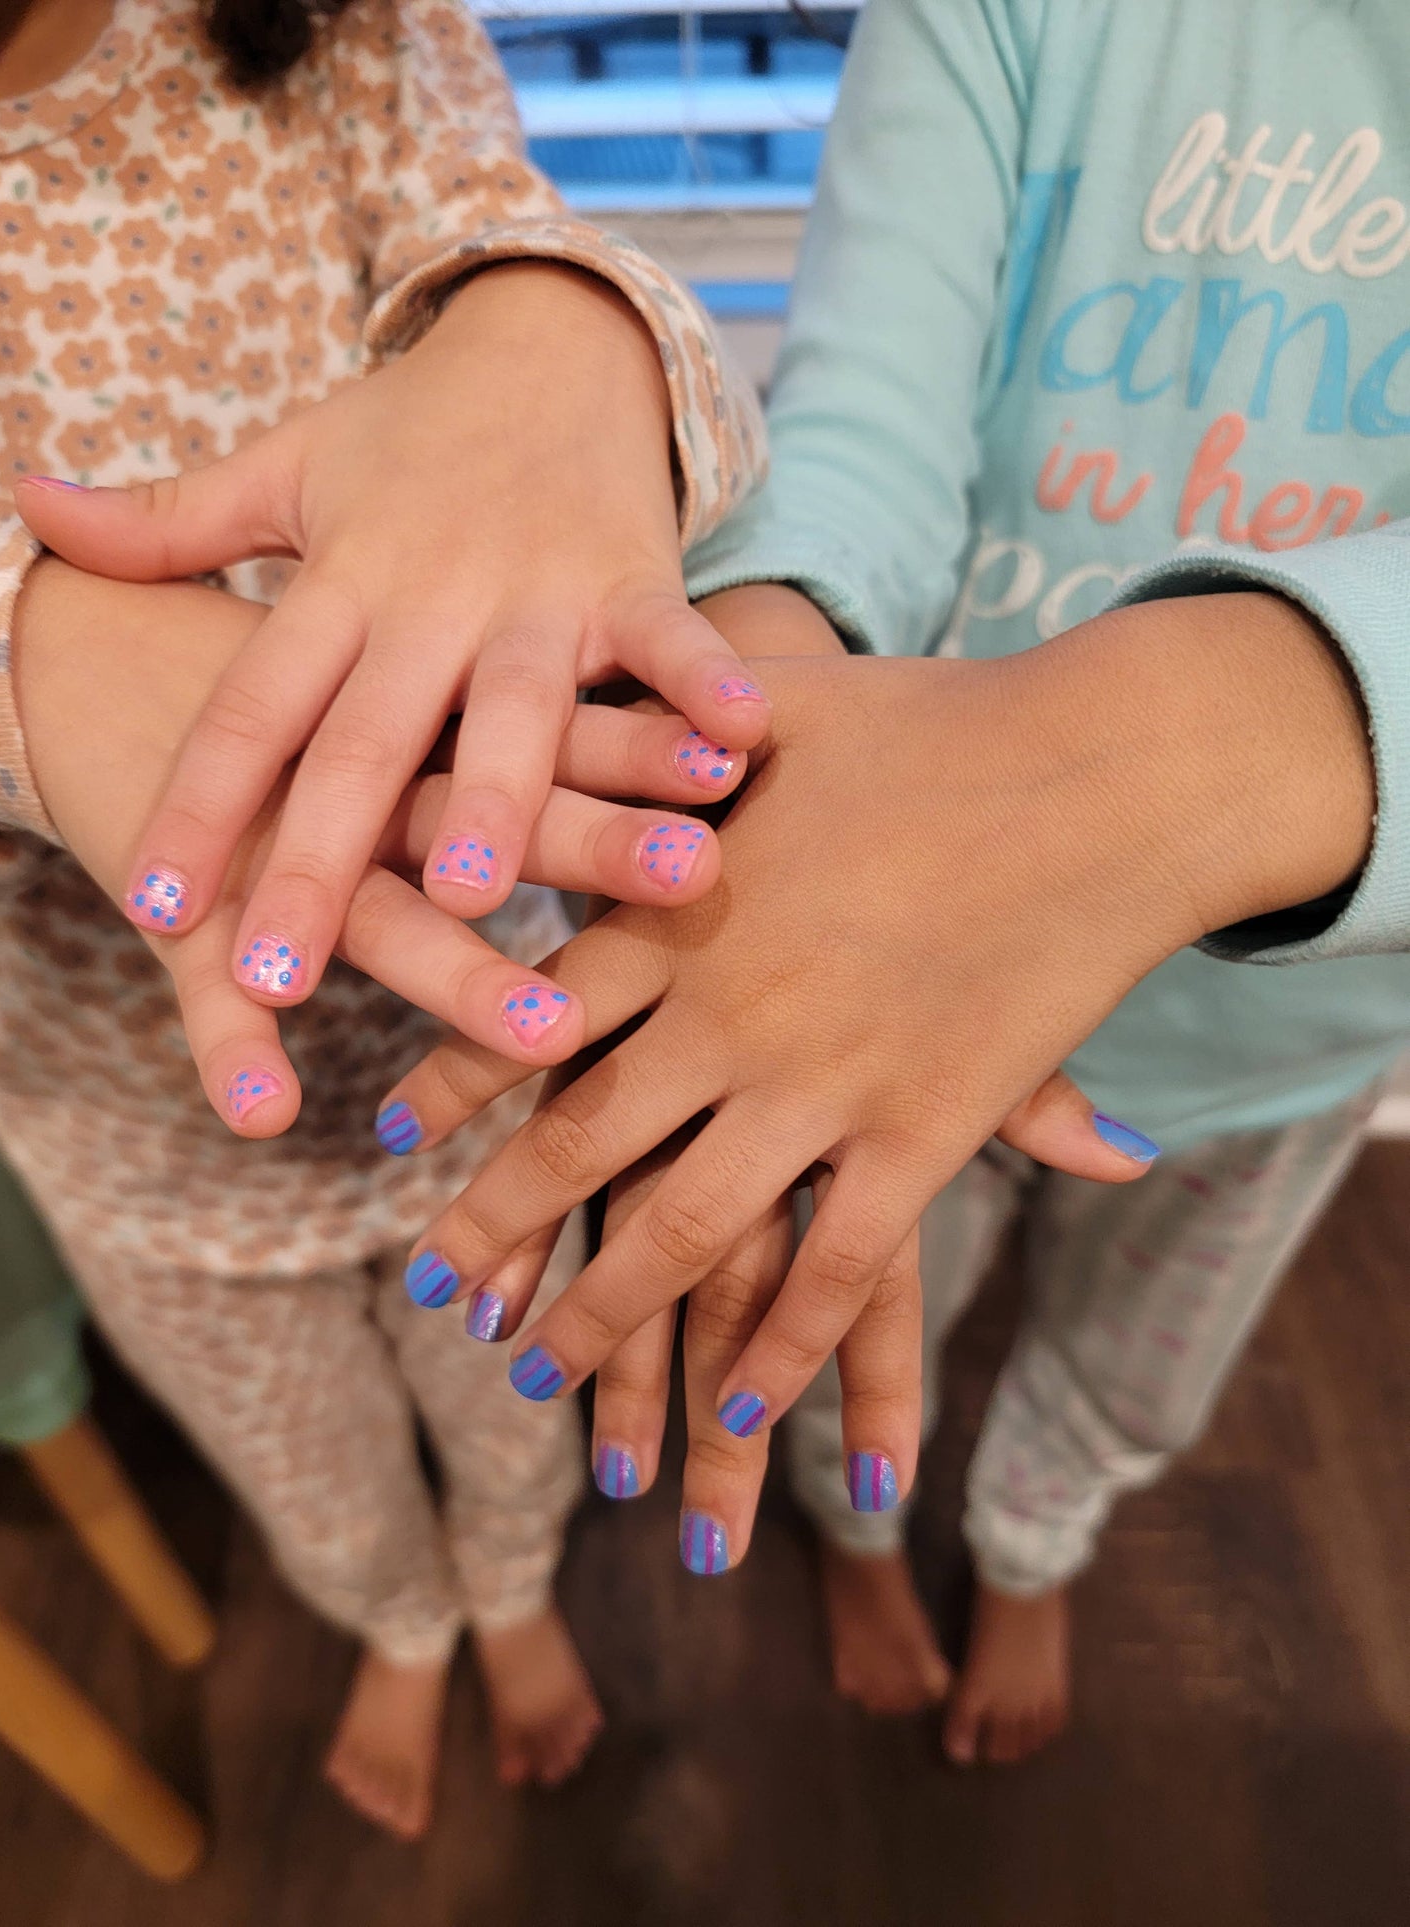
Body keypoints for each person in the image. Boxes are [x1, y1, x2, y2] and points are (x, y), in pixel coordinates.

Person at [367, 0, 1410, 1767]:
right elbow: (861, 430)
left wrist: (1134, 753)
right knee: (822, 1327)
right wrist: (750, 710)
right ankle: (863, 1537)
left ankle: (1029, 1549)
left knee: (1138, 1371)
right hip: (849, 981)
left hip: (1285, 1032)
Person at [0, 0, 762, 1836]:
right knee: (307, 1480)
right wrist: (16, 660)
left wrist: (561, 330)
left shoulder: (342, 35)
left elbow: (493, 225)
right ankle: (398, 1620)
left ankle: (501, 1589)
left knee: (508, 1408)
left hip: (467, 1056)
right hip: (124, 1139)